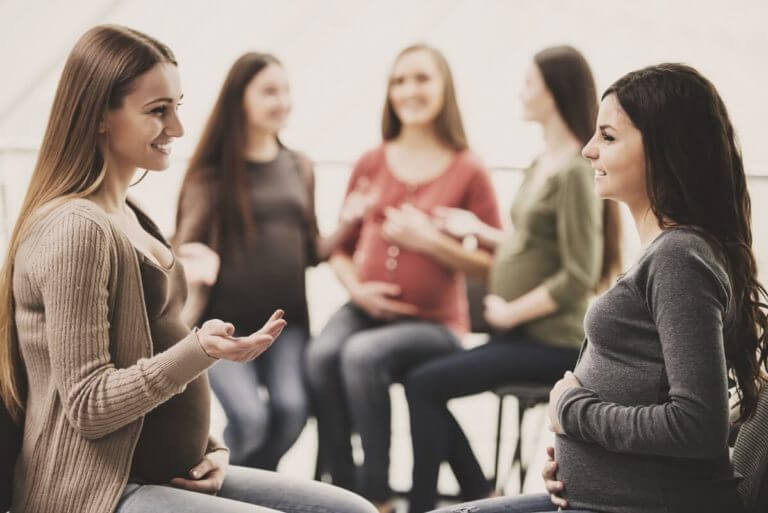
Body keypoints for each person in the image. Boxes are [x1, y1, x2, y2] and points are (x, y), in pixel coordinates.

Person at [0, 24, 377, 513]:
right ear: (99, 116)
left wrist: (210, 449)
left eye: (178, 106)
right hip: (98, 492)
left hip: (163, 474)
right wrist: (200, 350)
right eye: (158, 111)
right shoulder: (78, 229)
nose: (177, 128)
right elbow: (90, 406)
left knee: (352, 510)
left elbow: (157, 343)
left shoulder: (132, 214)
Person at [427, 63, 767, 513]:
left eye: (607, 137)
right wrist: (578, 460)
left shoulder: (679, 258)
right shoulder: (668, 253)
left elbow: (696, 426)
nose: (589, 150)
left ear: (664, 150)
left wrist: (573, 413)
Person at [403, 45, 622, 513]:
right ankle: (480, 495)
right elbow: (531, 245)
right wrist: (477, 230)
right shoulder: (541, 161)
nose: (521, 92)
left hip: (553, 341)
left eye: (530, 83)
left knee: (424, 384)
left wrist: (509, 310)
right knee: (423, 382)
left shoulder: (574, 174)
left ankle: (433, 503)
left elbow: (578, 273)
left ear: (553, 91)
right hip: (521, 334)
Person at [304, 43, 501, 513]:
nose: (409, 90)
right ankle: (341, 488)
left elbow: (495, 265)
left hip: (434, 324)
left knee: (360, 356)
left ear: (444, 89)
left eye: (421, 79)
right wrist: (358, 291)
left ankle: (377, 497)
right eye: (399, 81)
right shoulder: (371, 161)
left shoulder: (468, 167)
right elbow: (340, 251)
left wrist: (427, 242)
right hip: (364, 308)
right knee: (321, 355)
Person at [173, 52, 359, 471]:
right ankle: (229, 489)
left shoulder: (300, 166)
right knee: (251, 419)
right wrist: (193, 259)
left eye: (286, 90)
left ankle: (233, 487)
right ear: (241, 99)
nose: (283, 101)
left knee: (293, 410)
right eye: (270, 91)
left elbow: (311, 250)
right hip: (223, 328)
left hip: (285, 325)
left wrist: (349, 225)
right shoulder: (212, 174)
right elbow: (183, 244)